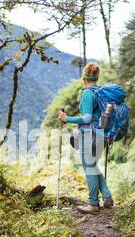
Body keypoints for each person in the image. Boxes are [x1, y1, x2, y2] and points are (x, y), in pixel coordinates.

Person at [58, 63, 114, 214]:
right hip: (102, 134)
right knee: (93, 166)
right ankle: (107, 197)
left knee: (89, 167)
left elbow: (87, 117)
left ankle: (93, 205)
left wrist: (66, 118)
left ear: (84, 76)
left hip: (90, 135)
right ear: (97, 77)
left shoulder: (88, 93)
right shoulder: (101, 92)